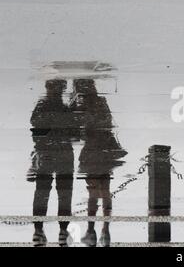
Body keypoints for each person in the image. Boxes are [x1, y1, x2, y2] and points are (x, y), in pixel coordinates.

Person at [70, 79, 127, 247]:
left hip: (92, 153)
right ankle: (105, 229)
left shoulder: (83, 105)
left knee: (93, 191)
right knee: (105, 188)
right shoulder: (101, 101)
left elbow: (76, 126)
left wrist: (74, 101)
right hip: (106, 149)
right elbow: (107, 122)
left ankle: (91, 230)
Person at [28, 79, 78, 247]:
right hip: (63, 154)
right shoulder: (65, 107)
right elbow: (74, 129)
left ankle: (38, 230)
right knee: (64, 194)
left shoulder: (42, 106)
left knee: (42, 193)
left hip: (47, 154)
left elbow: (34, 125)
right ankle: (62, 231)